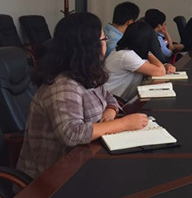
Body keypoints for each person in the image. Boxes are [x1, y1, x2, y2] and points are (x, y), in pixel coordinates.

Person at [17, 13, 149, 179]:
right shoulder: (63, 85)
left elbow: (109, 97)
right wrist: (122, 124)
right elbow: (72, 134)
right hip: (54, 178)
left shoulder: (87, 74)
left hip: (86, 161)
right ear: (89, 47)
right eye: (104, 39)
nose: (106, 43)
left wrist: (110, 111)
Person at [104, 21, 176, 101]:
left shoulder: (127, 51)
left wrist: (166, 66)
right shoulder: (127, 55)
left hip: (116, 98)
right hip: (113, 101)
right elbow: (160, 71)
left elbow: (151, 68)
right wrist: (148, 51)